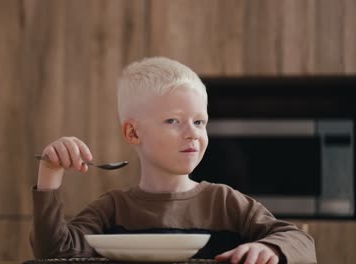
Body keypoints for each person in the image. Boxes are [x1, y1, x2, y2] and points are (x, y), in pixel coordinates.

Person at [30, 57, 317, 264]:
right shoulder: (113, 209)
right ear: (133, 132)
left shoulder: (225, 202)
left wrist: (272, 250)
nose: (192, 133)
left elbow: (301, 242)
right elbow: (55, 253)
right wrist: (50, 174)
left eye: (199, 121)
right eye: (173, 121)